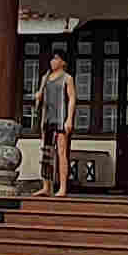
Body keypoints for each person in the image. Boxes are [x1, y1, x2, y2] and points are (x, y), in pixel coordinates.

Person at [35, 44, 81, 196]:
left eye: (56, 59)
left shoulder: (67, 78)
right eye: (52, 59)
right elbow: (41, 100)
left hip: (60, 119)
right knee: (46, 154)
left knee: (61, 153)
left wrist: (69, 119)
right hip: (47, 119)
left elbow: (72, 99)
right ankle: (46, 186)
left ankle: (62, 187)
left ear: (63, 62)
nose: (52, 62)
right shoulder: (45, 78)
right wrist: (38, 96)